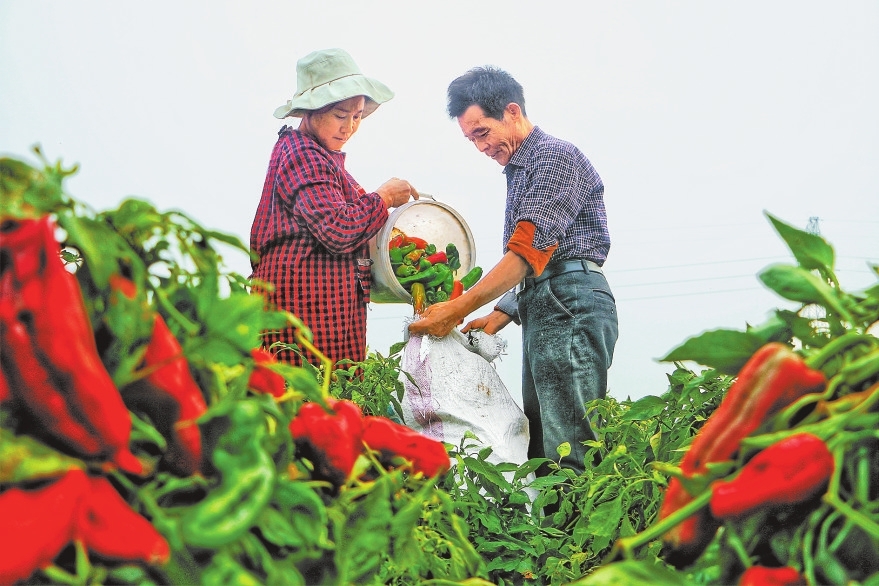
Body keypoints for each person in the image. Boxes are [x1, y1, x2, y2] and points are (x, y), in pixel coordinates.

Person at [408, 66, 618, 476]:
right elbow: (542, 258)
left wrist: (457, 308)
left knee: (567, 445)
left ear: (511, 111)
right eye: (471, 139)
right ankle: (556, 533)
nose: (480, 147)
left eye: (482, 133)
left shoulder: (552, 157)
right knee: (543, 439)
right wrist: (501, 313)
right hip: (548, 301)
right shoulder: (523, 168)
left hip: (570, 301)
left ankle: (578, 539)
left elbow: (528, 253)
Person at [250, 48, 418, 367]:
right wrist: (383, 197)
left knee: (334, 403)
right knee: (304, 399)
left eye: (357, 116)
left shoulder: (323, 159)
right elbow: (338, 230)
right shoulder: (303, 155)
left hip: (325, 312)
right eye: (341, 116)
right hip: (301, 312)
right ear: (311, 112)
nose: (350, 127)